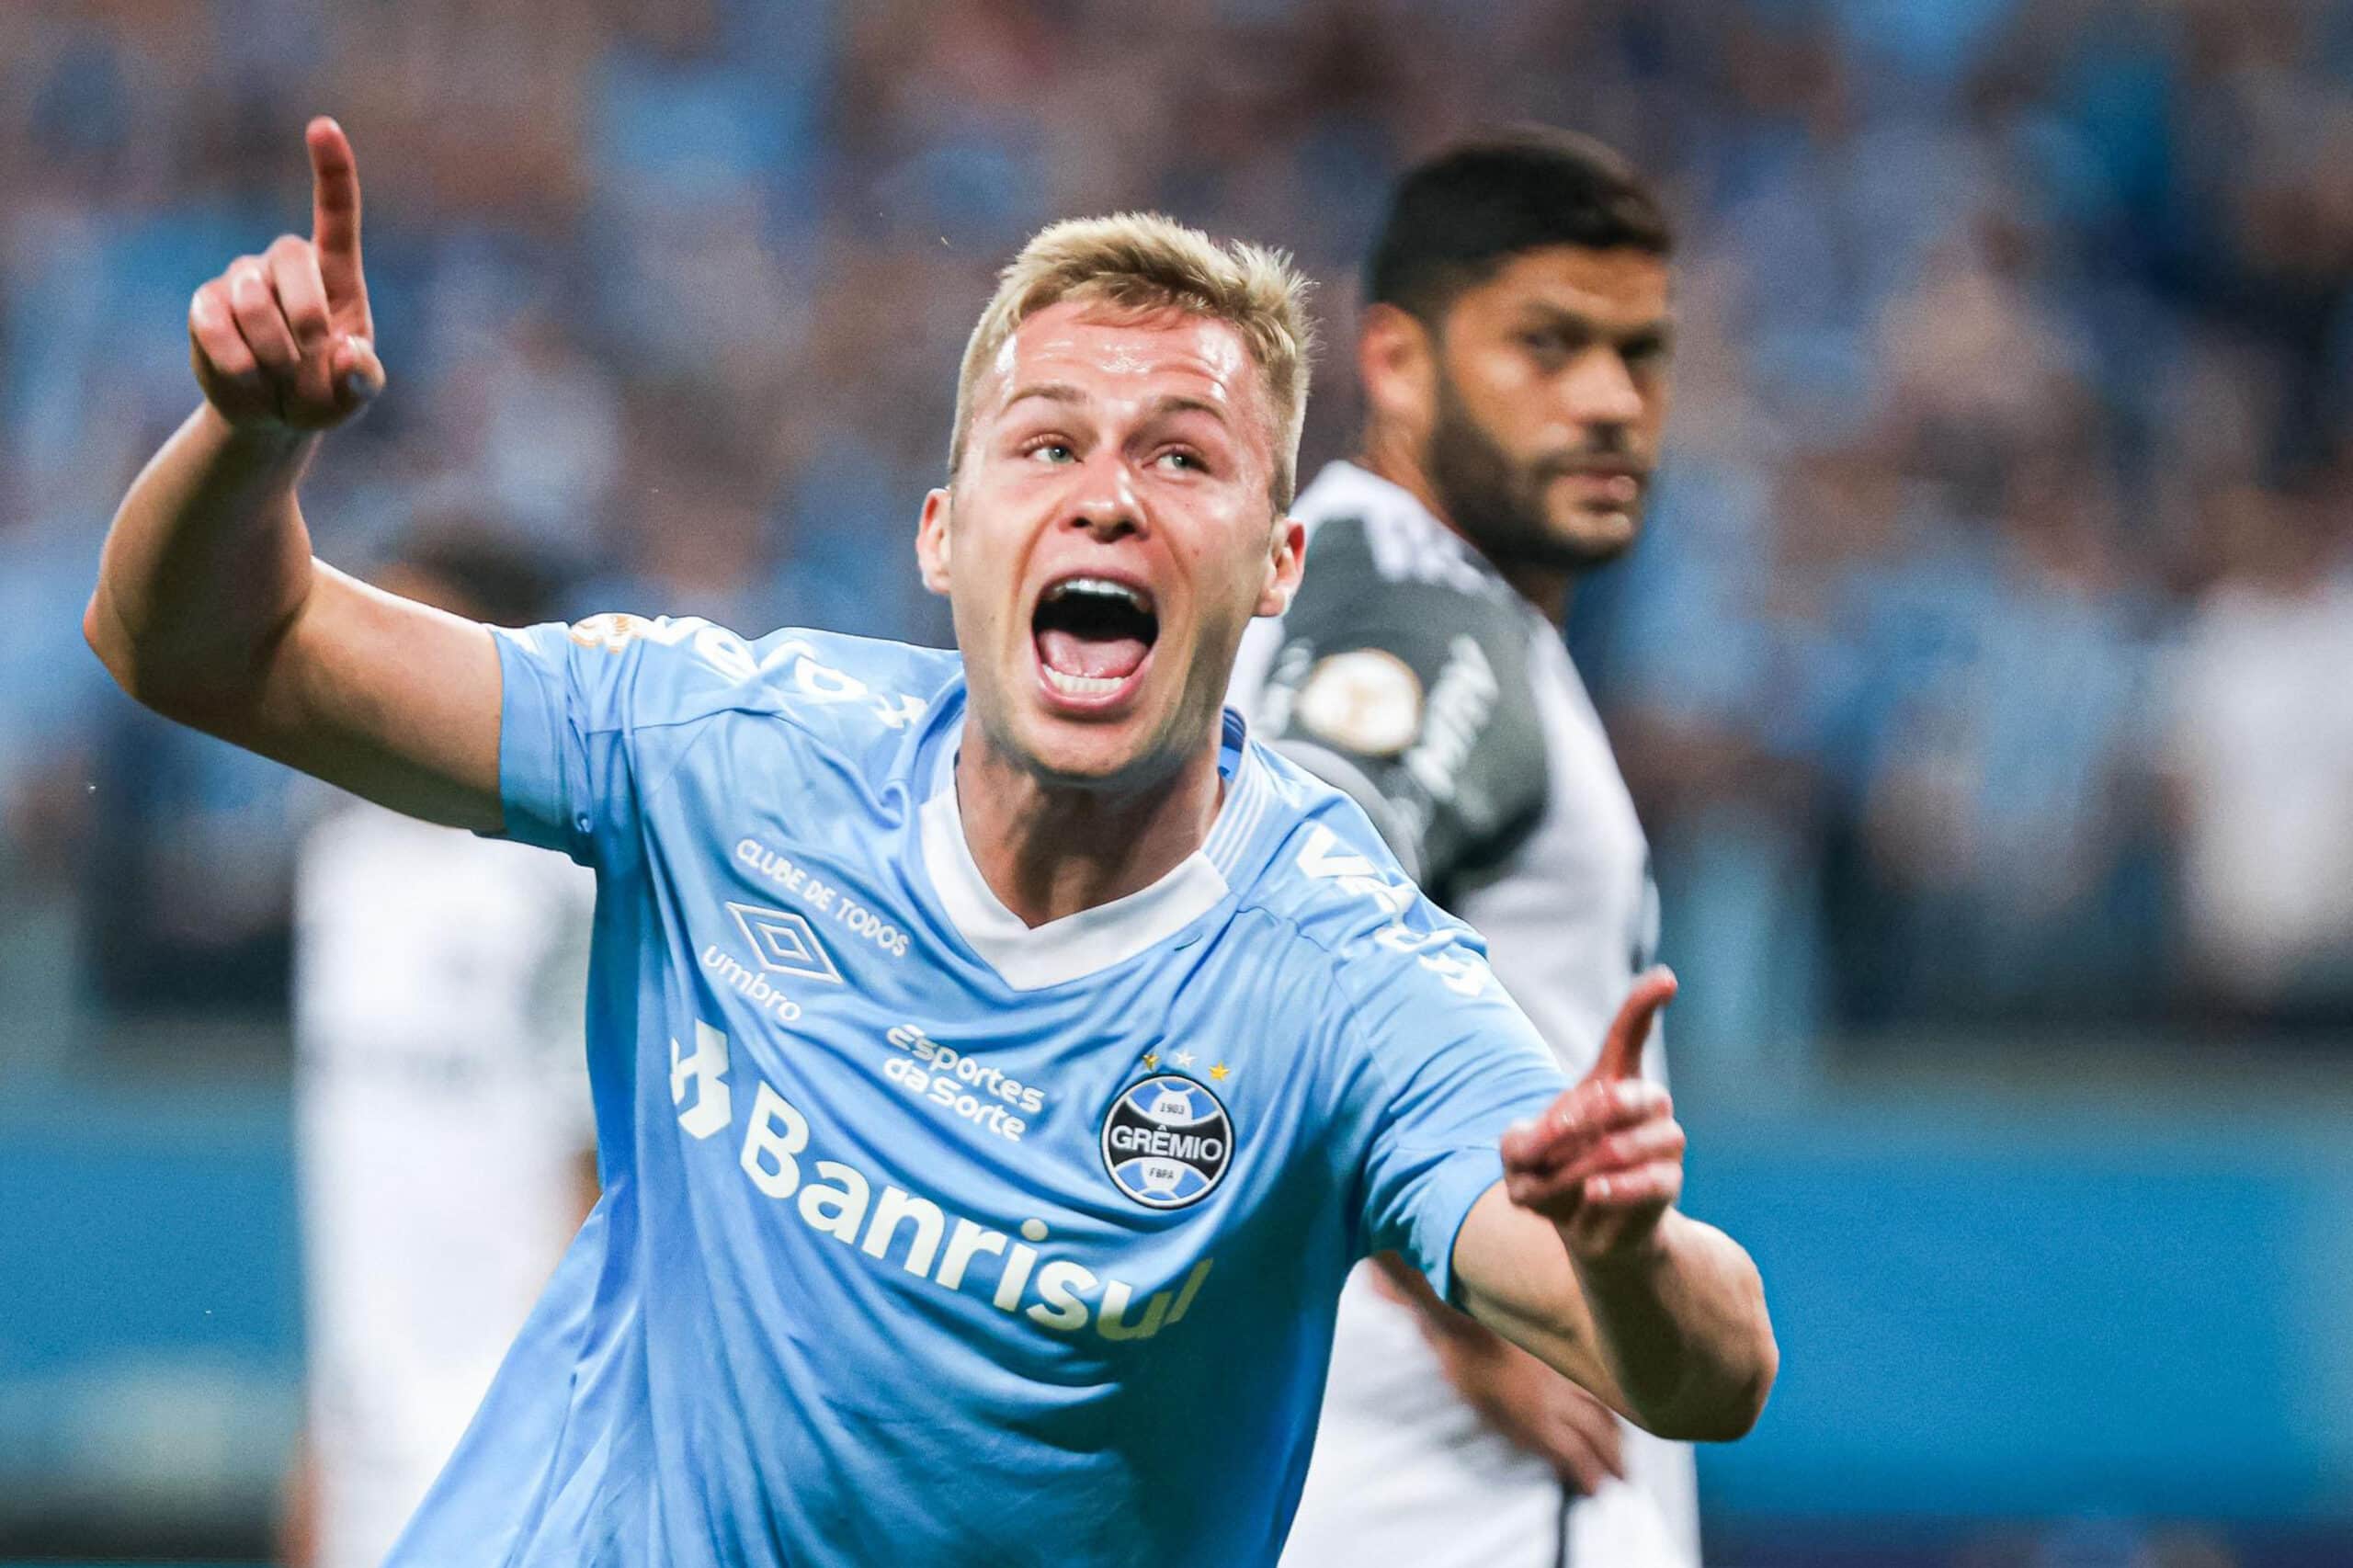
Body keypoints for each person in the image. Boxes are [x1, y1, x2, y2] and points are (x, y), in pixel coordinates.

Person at [85, 118, 1774, 1567]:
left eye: (1184, 456)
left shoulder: (1337, 971)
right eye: (1048, 444)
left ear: (1273, 569)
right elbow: (197, 649)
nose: (1106, 496)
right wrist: (251, 443)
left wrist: (1628, 1258)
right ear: (943, 536)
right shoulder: (723, 757)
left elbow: (1708, 1372)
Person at [1231, 131, 1702, 1568]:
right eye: (1547, 347)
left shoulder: (1366, 590)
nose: (1611, 401)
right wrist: (1471, 1313)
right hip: (1447, 1500)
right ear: (1399, 362)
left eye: (1641, 352)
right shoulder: (1416, 625)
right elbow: (1267, 943)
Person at [282, 528, 597, 1568]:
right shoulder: (336, 868)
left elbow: (598, 1176)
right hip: (362, 1428)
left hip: (503, 1436)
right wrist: (319, 1447)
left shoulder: (561, 880)